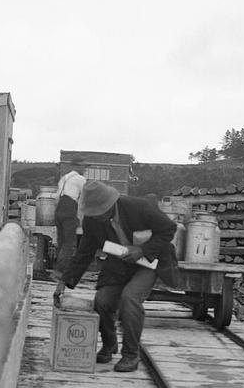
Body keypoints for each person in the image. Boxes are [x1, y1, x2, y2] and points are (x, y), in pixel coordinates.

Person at [56, 181, 178, 372]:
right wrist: (65, 280)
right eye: (95, 214)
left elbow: (169, 229)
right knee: (102, 300)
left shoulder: (140, 208)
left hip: (148, 262)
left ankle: (131, 355)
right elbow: (84, 253)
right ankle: (109, 344)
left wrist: (142, 249)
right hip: (118, 264)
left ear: (112, 203)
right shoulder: (93, 220)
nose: (100, 217)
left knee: (129, 299)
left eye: (102, 212)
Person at [53, 159, 86, 279]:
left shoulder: (64, 178)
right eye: (84, 167)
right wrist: (79, 218)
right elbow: (83, 199)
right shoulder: (80, 179)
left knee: (61, 241)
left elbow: (57, 197)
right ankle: (61, 271)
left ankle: (57, 269)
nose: (85, 170)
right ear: (78, 167)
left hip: (59, 208)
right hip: (70, 208)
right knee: (69, 242)